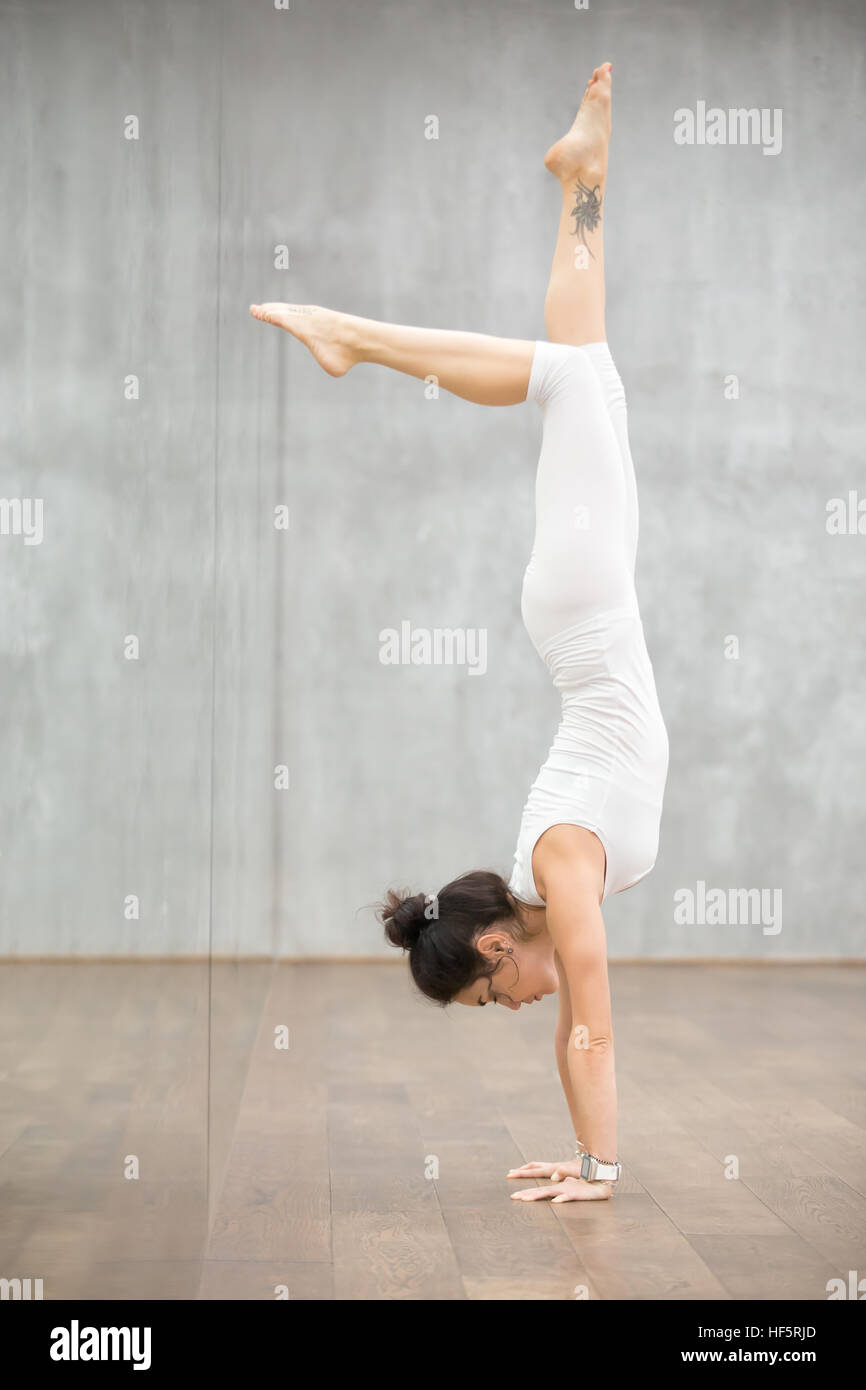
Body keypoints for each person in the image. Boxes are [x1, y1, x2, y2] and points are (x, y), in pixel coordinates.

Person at [250, 62, 669, 1203]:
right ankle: (583, 178)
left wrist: (605, 1171)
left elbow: (590, 1030)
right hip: (582, 601)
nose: (514, 1007)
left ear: (493, 948)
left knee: (573, 385)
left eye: (492, 994)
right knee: (587, 374)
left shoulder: (562, 866)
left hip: (582, 600)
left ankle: (352, 335)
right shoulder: (551, 876)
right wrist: (585, 1160)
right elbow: (572, 1029)